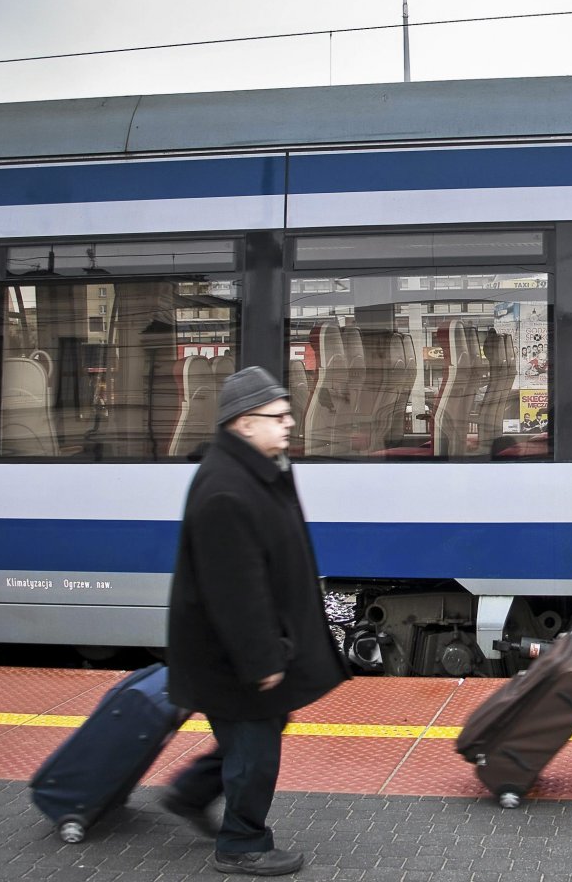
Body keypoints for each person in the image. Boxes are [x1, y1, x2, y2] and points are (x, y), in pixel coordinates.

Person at [161, 365, 348, 876]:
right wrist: (261, 658)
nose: (290, 424)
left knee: (257, 733)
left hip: (246, 646)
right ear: (244, 423)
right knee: (255, 747)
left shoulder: (254, 471)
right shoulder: (227, 489)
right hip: (233, 654)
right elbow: (234, 591)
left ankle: (189, 793)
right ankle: (241, 843)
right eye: (278, 416)